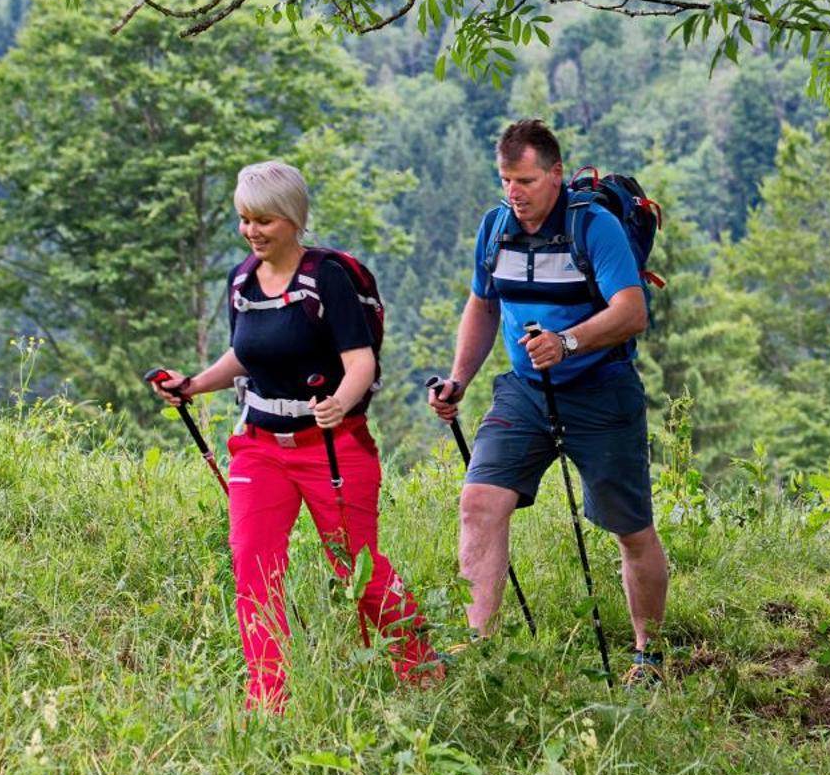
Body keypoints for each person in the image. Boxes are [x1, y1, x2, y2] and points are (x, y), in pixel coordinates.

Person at [152, 160, 442, 711]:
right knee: (252, 565)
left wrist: (340, 401)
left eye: (263, 220)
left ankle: (419, 672)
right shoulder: (242, 280)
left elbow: (359, 360)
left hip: (332, 444)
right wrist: (194, 385)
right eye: (243, 220)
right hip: (259, 446)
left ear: (292, 218)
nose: (252, 232)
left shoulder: (326, 277)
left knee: (356, 565)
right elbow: (246, 353)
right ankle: (268, 697)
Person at [427, 119, 670, 685]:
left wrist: (568, 342)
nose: (515, 193)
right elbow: (483, 306)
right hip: (524, 390)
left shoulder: (596, 227)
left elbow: (632, 311)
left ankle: (647, 656)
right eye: (506, 180)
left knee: (630, 528)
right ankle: (477, 648)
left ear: (556, 175)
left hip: (601, 389)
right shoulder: (495, 228)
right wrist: (460, 379)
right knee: (480, 501)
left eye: (527, 180)